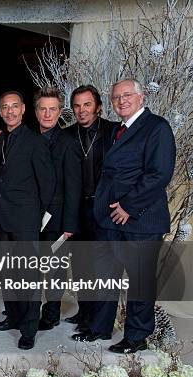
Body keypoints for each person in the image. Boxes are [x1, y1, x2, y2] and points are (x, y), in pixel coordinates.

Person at [73, 79, 175, 353]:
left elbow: (159, 174)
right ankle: (100, 328)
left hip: (140, 220)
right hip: (110, 219)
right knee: (107, 276)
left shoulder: (157, 128)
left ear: (141, 97)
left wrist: (129, 206)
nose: (122, 101)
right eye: (116, 97)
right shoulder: (119, 129)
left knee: (139, 280)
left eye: (127, 95)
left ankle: (136, 337)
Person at [0, 90, 54, 350]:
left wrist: (36, 217)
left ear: (24, 109)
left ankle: (29, 327)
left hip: (26, 220)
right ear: (1, 111)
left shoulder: (35, 142)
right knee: (7, 273)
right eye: (5, 107)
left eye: (14, 106)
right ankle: (13, 316)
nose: (10, 111)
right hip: (2, 219)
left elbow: (47, 185)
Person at [64, 85, 117, 332]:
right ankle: (84, 311)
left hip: (104, 209)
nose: (81, 110)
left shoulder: (114, 131)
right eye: (76, 105)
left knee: (101, 267)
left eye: (87, 104)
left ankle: (97, 319)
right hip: (77, 208)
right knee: (81, 263)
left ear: (97, 106)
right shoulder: (67, 134)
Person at [33, 87, 82, 331]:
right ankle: (28, 309)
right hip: (32, 218)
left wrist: (70, 225)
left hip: (58, 219)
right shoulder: (30, 139)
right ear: (36, 111)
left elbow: (74, 187)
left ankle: (51, 314)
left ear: (60, 112)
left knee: (55, 269)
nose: (47, 114)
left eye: (53, 109)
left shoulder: (68, 143)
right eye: (43, 108)